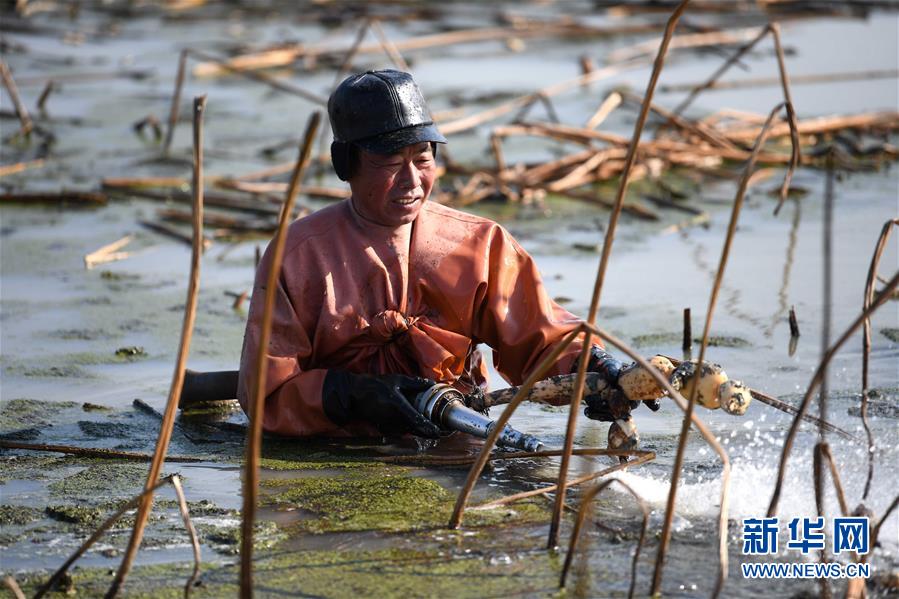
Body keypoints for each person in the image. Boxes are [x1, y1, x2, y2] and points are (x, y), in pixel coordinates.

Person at [236, 69, 636, 439]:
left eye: (422, 159)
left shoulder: (479, 244)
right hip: (333, 451)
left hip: (458, 435)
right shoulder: (298, 256)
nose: (411, 180)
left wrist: (591, 368)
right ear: (345, 163)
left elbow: (540, 339)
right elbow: (266, 396)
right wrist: (352, 395)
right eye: (391, 161)